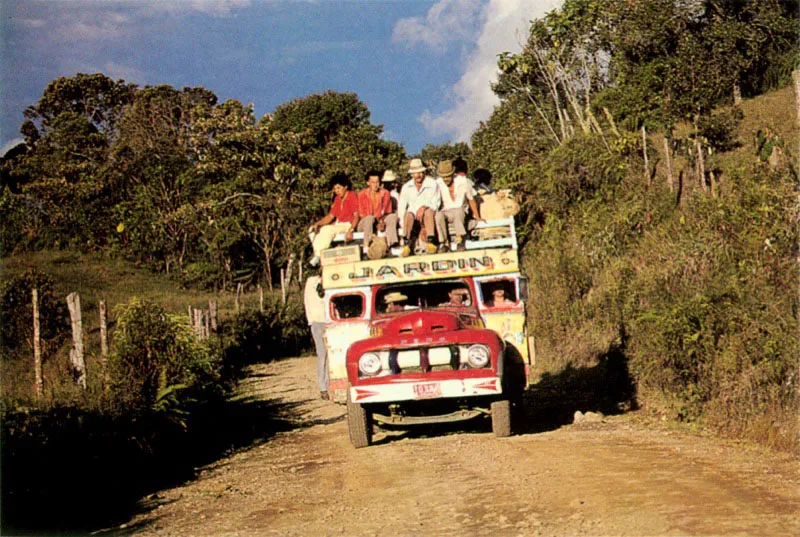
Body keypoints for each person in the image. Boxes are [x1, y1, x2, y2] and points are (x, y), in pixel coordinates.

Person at [308, 174, 359, 267]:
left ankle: (319, 256)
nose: (337, 191)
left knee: (327, 230)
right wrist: (318, 224)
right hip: (338, 224)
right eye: (335, 189)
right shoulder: (337, 199)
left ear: (345, 187)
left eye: (339, 188)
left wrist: (351, 230)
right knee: (312, 230)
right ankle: (319, 255)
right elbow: (330, 216)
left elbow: (356, 216)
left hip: (347, 224)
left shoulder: (351, 196)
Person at [434, 160, 482, 252]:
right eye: (443, 177)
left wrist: (477, 216)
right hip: (447, 211)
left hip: (461, 211)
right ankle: (444, 243)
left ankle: (460, 239)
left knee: (458, 211)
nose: (445, 179)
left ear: (453, 174)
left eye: (448, 176)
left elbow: (471, 199)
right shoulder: (438, 183)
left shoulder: (463, 182)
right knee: (438, 215)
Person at [397, 158, 441, 256]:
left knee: (428, 212)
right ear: (412, 174)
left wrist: (424, 207)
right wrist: (403, 223)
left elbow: (436, 203)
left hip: (428, 216)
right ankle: (406, 244)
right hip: (413, 219)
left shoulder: (432, 184)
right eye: (415, 173)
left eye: (420, 172)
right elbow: (401, 208)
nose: (418, 175)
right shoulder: (406, 187)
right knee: (408, 215)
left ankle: (431, 242)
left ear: (424, 172)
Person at [357, 170, 399, 251]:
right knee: (369, 218)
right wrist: (376, 224)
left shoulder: (385, 193)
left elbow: (388, 211)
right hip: (365, 223)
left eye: (377, 182)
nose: (375, 185)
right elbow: (362, 215)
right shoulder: (362, 195)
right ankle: (367, 247)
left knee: (392, 217)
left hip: (380, 220)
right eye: (373, 182)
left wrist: (381, 221)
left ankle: (392, 245)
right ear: (368, 183)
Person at [303, 275, 329, 400]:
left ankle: (324, 387)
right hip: (323, 321)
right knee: (325, 354)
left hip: (318, 321)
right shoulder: (316, 281)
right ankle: (325, 386)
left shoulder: (309, 282)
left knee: (323, 354)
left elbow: (306, 302)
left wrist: (310, 320)